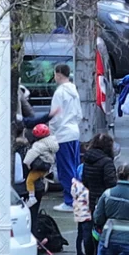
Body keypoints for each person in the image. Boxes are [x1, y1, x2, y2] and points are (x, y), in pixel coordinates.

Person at [49, 63, 83, 210]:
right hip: (74, 132)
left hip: (62, 134)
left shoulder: (59, 93)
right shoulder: (74, 91)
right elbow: (79, 114)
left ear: (58, 74)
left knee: (65, 169)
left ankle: (70, 201)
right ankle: (77, 199)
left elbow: (55, 116)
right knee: (74, 168)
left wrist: (52, 132)